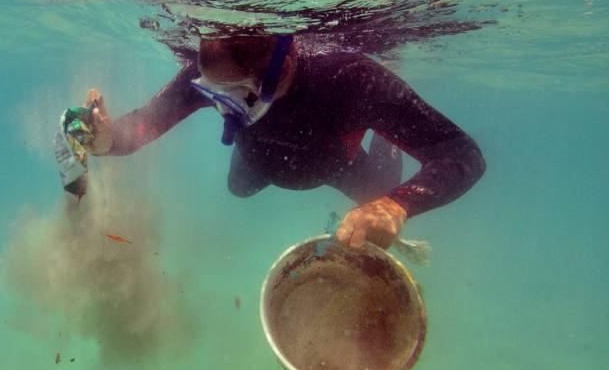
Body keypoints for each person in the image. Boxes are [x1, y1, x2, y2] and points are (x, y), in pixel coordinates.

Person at [75, 34, 486, 250]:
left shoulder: (353, 81)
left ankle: (387, 138)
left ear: (285, 65)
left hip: (337, 163)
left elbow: (462, 154)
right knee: (237, 189)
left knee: (377, 200)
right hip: (260, 163)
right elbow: (144, 127)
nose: (223, 110)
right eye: (213, 97)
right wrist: (110, 140)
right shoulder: (211, 75)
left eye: (237, 97)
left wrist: (396, 204)